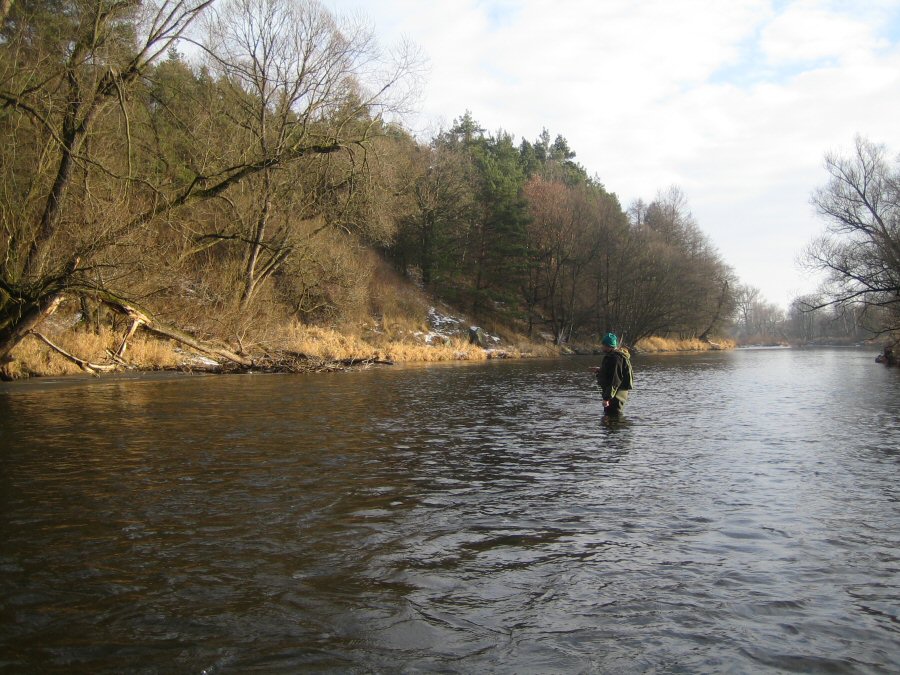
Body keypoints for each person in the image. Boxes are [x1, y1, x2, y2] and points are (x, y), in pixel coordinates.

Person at [590, 332, 633, 416]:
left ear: (608, 346)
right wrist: (601, 370)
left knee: (613, 419)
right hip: (614, 394)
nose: (602, 347)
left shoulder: (615, 359)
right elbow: (613, 372)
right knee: (608, 421)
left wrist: (606, 399)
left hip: (616, 395)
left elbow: (615, 380)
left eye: (603, 345)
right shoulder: (613, 357)